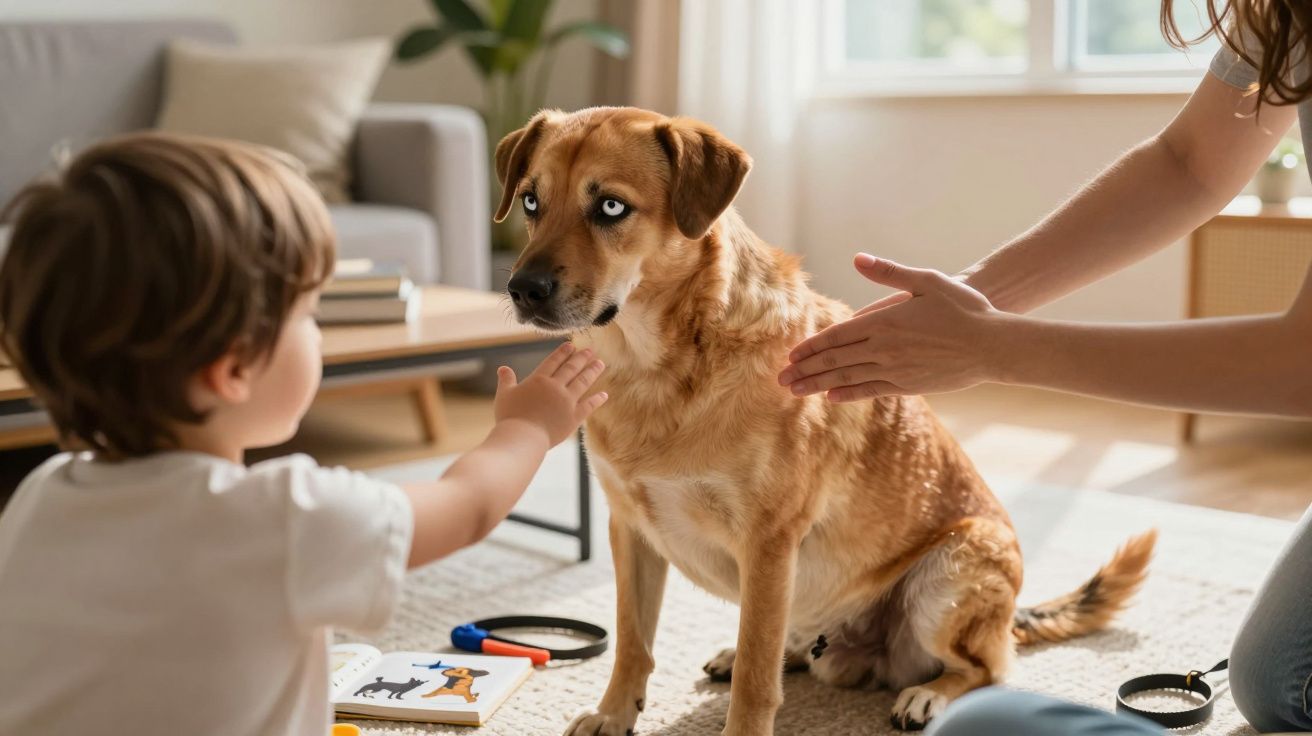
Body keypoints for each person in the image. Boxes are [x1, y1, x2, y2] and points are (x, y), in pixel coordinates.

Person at [778, 1, 1312, 734]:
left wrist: (991, 347)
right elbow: (1189, 163)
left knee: (1286, 685)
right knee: (1271, 678)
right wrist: (965, 307)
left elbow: (1302, 364)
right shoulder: (1284, 15)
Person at [0, 132, 607, 735]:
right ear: (233, 369)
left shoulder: (36, 500)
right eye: (307, 314)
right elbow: (467, 507)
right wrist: (527, 427)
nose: (315, 333)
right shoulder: (281, 518)